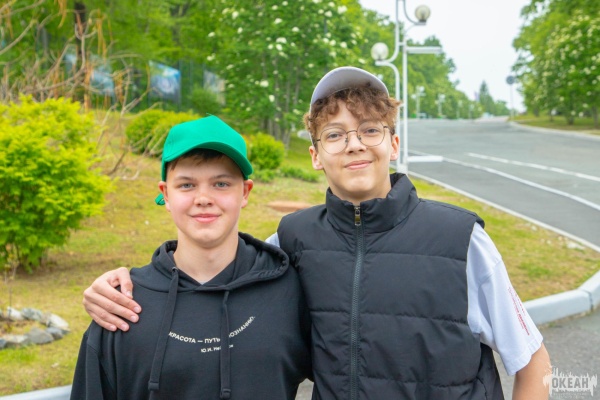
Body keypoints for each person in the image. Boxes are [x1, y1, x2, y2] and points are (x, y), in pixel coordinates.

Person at [82, 67, 550, 399]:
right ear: (315, 155)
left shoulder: (460, 239)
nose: (354, 144)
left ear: (393, 143)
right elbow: (217, 269)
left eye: (369, 130)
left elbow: (533, 362)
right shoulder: (292, 240)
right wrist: (124, 283)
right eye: (335, 134)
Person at [71, 116, 311, 399]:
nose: (203, 198)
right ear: (165, 194)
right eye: (186, 185)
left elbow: (346, 376)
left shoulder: (288, 289)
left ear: (245, 192)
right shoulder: (121, 305)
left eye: (221, 184)